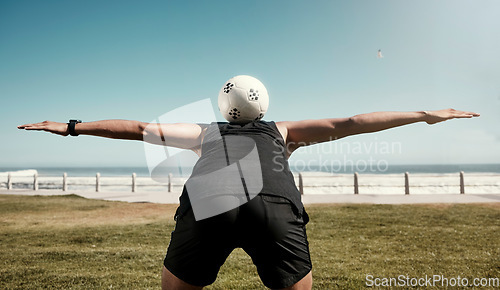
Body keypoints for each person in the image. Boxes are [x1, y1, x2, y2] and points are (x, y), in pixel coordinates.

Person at [18, 108, 479, 289]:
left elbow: (137, 129)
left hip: (208, 204)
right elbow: (353, 123)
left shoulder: (204, 131)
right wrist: (422, 115)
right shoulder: (283, 130)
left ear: (225, 110)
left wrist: (72, 126)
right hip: (274, 206)